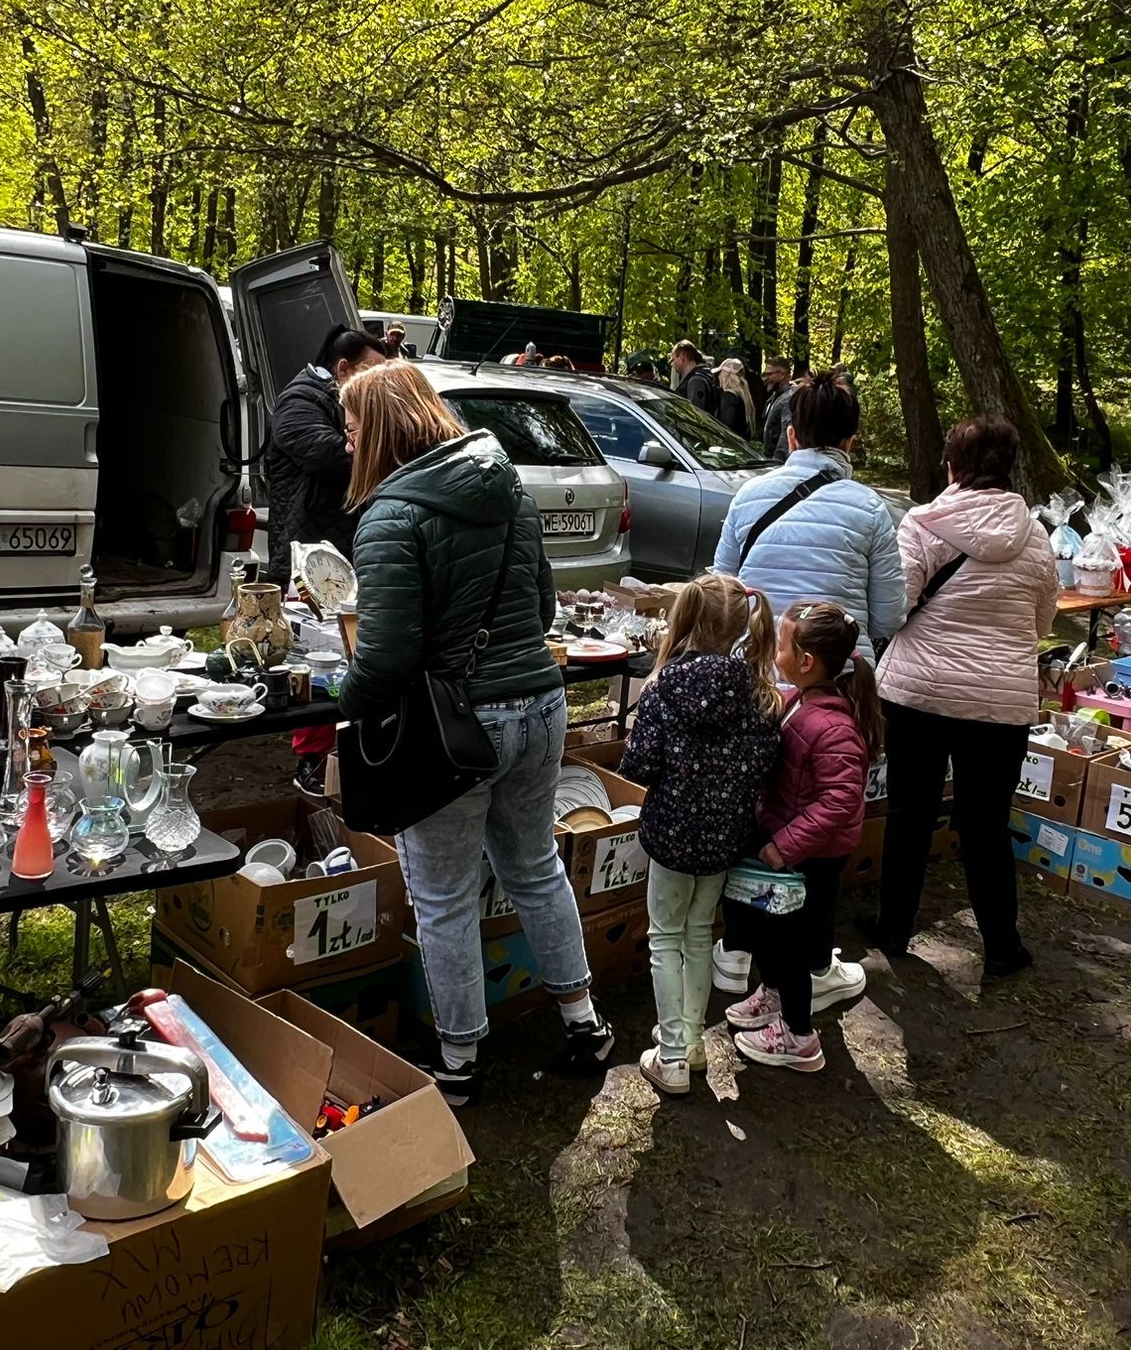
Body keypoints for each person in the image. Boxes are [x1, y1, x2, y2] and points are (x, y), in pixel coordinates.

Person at [337, 362, 613, 1102]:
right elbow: (546, 605)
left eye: (354, 426)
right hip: (542, 705)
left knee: (444, 895)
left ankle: (459, 1061)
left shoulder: (391, 516)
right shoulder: (508, 486)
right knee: (535, 867)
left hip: (458, 731)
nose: (346, 439)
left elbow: (388, 654)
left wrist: (346, 697)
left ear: (384, 430)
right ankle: (584, 1020)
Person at [865, 417, 1057, 969]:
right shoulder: (1036, 536)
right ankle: (1001, 943)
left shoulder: (922, 525)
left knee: (909, 814)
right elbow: (1041, 621)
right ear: (1009, 467)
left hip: (918, 693)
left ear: (951, 465)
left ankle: (893, 930)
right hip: (1000, 703)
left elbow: (893, 609)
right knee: (986, 822)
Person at [619, 575, 783, 1095]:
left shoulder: (666, 684)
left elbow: (638, 765)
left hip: (670, 833)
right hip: (724, 839)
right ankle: (690, 1042)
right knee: (698, 934)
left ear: (687, 617)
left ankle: (670, 1056)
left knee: (664, 938)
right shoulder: (760, 694)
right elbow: (765, 765)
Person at [723, 600, 881, 1073]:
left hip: (810, 858)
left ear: (806, 660)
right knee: (772, 933)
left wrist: (784, 845)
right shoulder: (800, 702)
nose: (775, 649)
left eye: (781, 642)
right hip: (788, 850)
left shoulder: (832, 727)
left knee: (792, 944)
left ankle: (799, 1036)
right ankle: (772, 995)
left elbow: (839, 803)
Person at [265, 325, 387, 795]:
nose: (380, 382)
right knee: (317, 660)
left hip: (346, 549)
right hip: (308, 559)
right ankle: (312, 763)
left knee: (351, 655)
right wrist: (384, 449)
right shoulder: (298, 402)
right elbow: (325, 456)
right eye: (372, 372)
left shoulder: (338, 399)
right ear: (343, 368)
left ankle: (345, 754)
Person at [710, 372, 906, 660]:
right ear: (849, 443)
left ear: (791, 436)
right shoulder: (870, 508)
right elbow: (888, 617)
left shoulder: (747, 495)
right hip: (839, 678)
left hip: (758, 670)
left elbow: (722, 594)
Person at [759, 358, 795, 464]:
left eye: (769, 374)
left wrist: (776, 462)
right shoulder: (777, 396)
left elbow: (786, 432)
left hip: (779, 462)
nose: (765, 378)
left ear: (782, 375)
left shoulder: (788, 398)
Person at [671, 340, 719, 415]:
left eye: (673, 359)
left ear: (681, 358)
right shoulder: (702, 375)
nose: (673, 363)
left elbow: (695, 413)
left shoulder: (696, 380)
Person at [715, 357, 756, 440]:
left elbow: (726, 426)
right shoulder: (744, 397)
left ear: (725, 374)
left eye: (720, 372)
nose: (718, 376)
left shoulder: (729, 397)